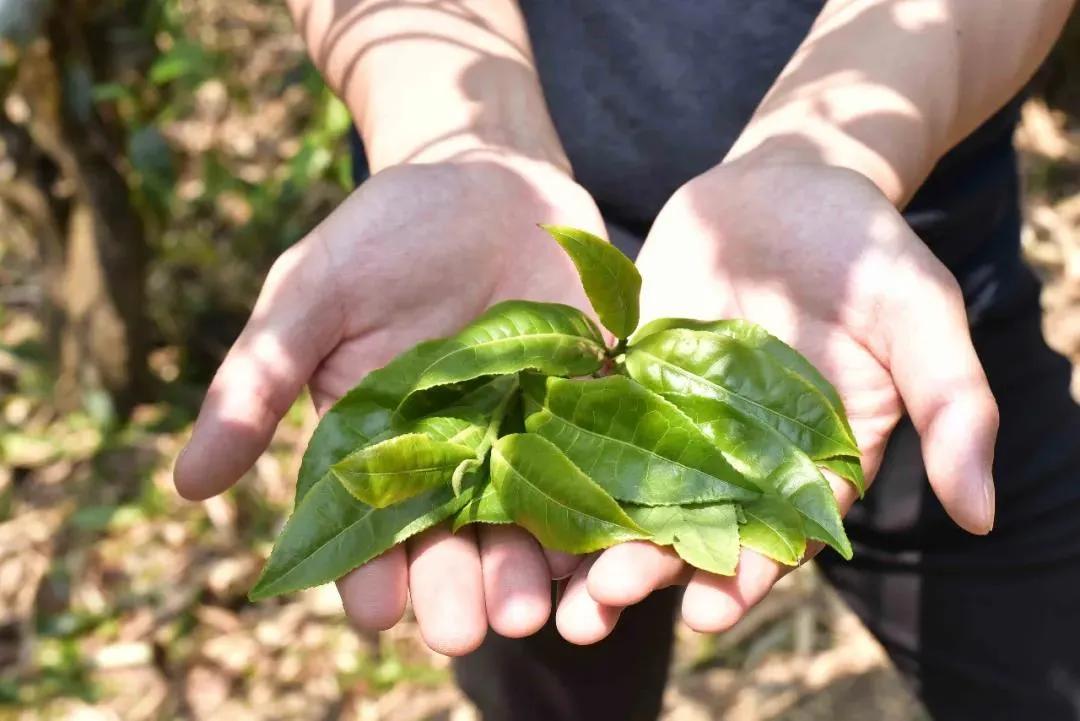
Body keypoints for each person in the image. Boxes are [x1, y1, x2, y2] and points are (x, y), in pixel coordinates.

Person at [174, 2, 1080, 719]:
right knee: (544, 658)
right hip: (490, 305)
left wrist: (832, 150)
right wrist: (452, 135)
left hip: (863, 296)